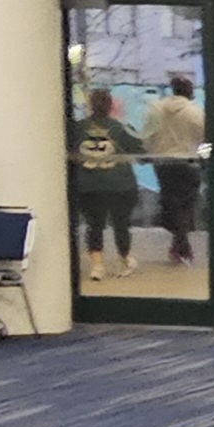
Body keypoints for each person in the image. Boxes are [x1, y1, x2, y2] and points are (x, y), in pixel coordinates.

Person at [71, 86, 146, 282]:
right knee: (121, 224)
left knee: (94, 225)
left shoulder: (77, 128)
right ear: (111, 105)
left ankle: (97, 266)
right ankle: (125, 258)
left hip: (88, 185)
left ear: (90, 105)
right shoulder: (120, 128)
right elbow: (141, 153)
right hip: (119, 185)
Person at [140, 74, 205, 266]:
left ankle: (179, 245)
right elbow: (204, 137)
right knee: (186, 204)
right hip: (188, 162)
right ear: (190, 92)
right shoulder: (196, 112)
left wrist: (148, 153)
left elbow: (147, 136)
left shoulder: (156, 109)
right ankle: (181, 245)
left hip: (162, 163)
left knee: (171, 202)